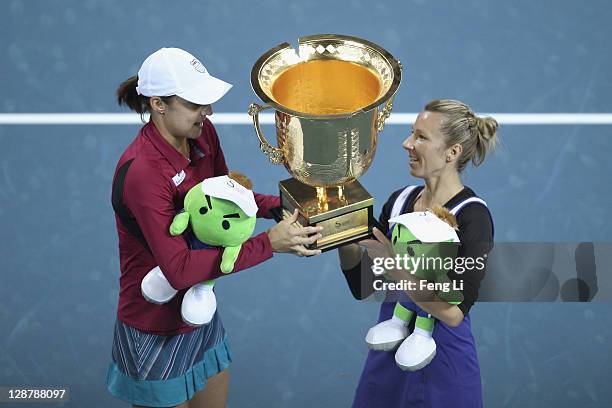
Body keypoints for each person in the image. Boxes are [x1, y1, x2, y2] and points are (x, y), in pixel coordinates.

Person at [106, 47, 322, 408]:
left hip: (198, 312)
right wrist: (269, 243)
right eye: (195, 104)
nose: (207, 112)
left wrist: (280, 206)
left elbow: (228, 198)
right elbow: (176, 270)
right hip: (154, 323)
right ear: (158, 104)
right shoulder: (143, 173)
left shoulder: (202, 135)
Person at [338, 99, 498, 408]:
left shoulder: (473, 217)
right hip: (387, 360)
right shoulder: (399, 201)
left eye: (422, 137)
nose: (407, 144)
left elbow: (453, 313)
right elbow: (364, 285)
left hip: (441, 363)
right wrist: (342, 237)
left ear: (453, 153)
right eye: (412, 133)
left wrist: (394, 263)